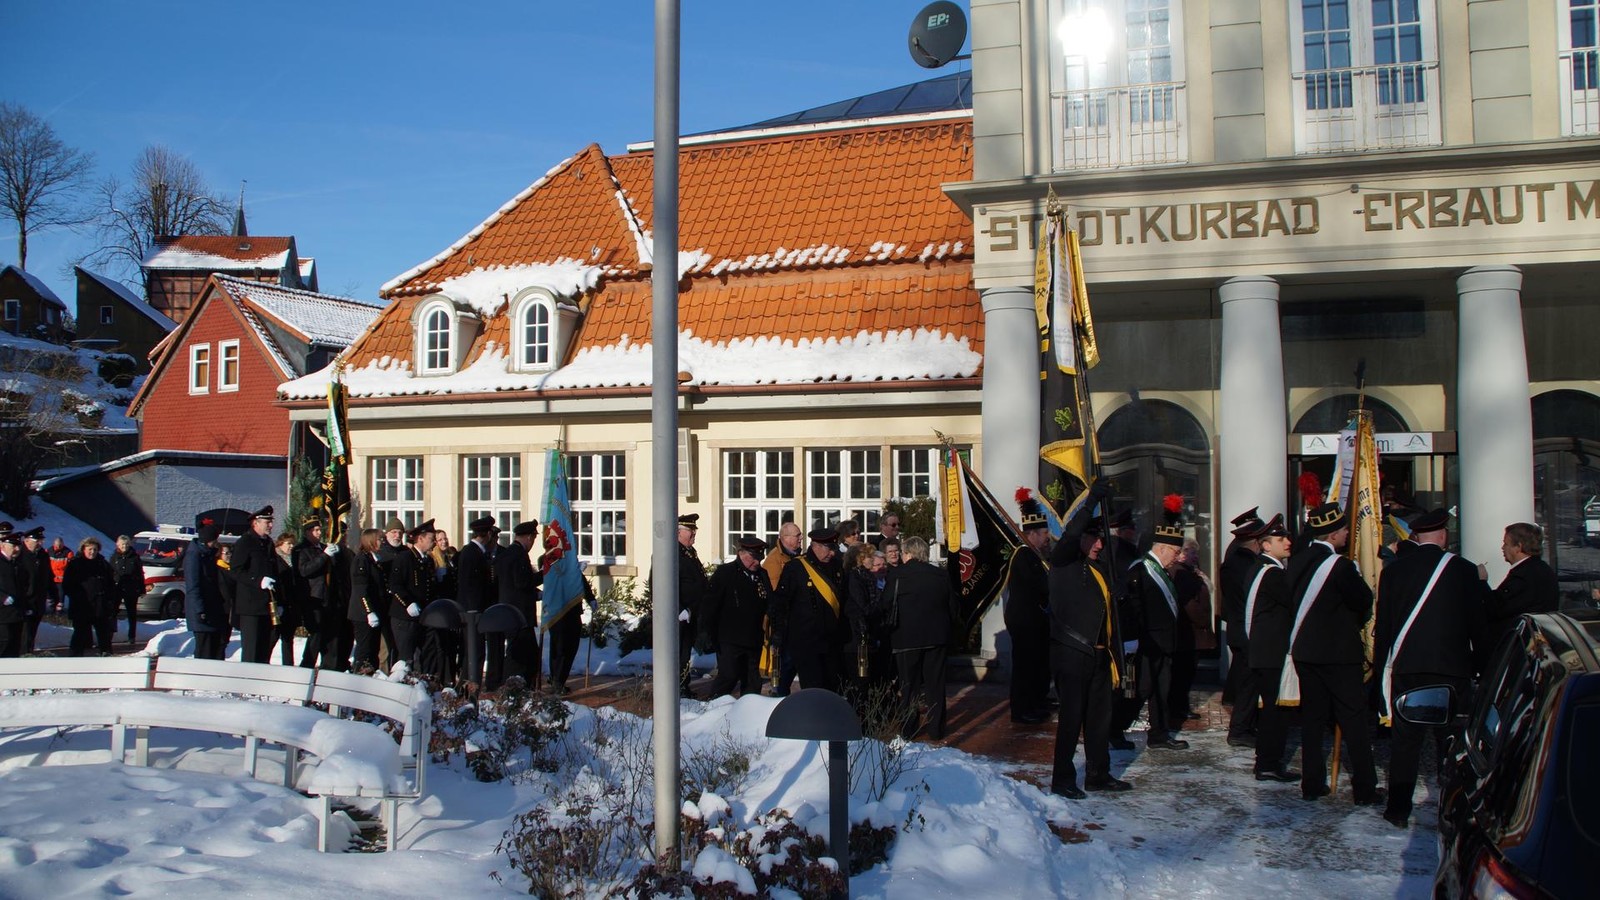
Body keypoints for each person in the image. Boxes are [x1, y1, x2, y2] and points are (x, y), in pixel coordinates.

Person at [1375, 508, 1488, 829]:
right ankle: (1452, 807)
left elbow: (1384, 628)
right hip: (1451, 669)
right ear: (1442, 535)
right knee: (1451, 743)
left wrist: (1381, 675)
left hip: (1407, 666)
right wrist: (1482, 666)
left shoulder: (1393, 572)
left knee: (1405, 743)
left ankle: (1397, 810)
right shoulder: (1464, 570)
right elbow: (1476, 626)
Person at [1285, 502, 1382, 806]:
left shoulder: (1297, 560)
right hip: (1339, 655)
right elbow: (1362, 598)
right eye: (1342, 530)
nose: (1345, 535)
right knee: (1353, 721)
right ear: (1332, 534)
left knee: (1313, 721)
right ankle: (1365, 788)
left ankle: (1311, 783)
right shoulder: (1340, 566)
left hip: (1305, 652)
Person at [1047, 481, 1133, 798]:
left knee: (1099, 719)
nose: (1099, 545)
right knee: (1071, 720)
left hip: (1098, 654)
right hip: (1071, 653)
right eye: (1093, 538)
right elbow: (1070, 535)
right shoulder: (1064, 560)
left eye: (1101, 538)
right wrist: (1091, 502)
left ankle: (1098, 773)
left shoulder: (1097, 569)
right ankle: (1062, 779)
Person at [1120, 497, 1191, 751]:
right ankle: (1114, 730)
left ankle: (1159, 734)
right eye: (1174, 551)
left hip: (1164, 644)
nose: (1178, 556)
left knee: (1162, 690)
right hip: (1147, 644)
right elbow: (1133, 608)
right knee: (1140, 691)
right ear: (1161, 548)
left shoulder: (1162, 571)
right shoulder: (1140, 571)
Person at [1244, 514, 1301, 783]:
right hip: (1272, 654)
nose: (1288, 542)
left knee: (1271, 710)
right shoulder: (1273, 574)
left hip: (1262, 653)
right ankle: (1268, 763)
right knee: (1275, 712)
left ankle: (1266, 761)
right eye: (1281, 539)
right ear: (1266, 545)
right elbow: (1294, 603)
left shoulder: (1261, 568)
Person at [887, 536, 959, 740]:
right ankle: (936, 728)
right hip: (936, 637)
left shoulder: (898, 574)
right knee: (935, 684)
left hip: (905, 638)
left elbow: (886, 604)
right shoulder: (940, 575)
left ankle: (909, 729)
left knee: (909, 686)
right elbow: (952, 606)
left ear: (908, 553)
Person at [770, 526, 846, 692]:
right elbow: (780, 603)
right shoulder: (796, 568)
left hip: (832, 642)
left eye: (834, 548)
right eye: (828, 548)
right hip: (806, 642)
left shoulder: (837, 567)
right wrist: (778, 632)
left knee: (832, 689)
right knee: (813, 689)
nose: (832, 553)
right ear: (815, 545)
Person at [1219, 507, 1268, 746]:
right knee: (1247, 684)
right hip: (1245, 628)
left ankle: (1245, 726)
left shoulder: (1241, 559)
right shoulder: (1239, 562)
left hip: (1244, 628)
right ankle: (1239, 729)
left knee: (1247, 681)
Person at [701, 536, 770, 699]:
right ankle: (715, 707)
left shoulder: (762, 575)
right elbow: (710, 605)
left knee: (753, 681)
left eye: (760, 558)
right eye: (754, 558)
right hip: (730, 638)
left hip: (754, 638)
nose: (757, 563)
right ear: (741, 554)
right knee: (729, 676)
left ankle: (749, 712)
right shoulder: (725, 573)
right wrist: (705, 631)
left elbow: (770, 601)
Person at [1006, 490, 1053, 725]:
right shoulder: (1023, 556)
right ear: (1032, 533)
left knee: (1036, 664)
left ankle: (1035, 702)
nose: (1047, 538)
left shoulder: (1035, 556)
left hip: (1034, 620)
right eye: (1044, 533)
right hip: (1024, 621)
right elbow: (1040, 586)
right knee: (1025, 666)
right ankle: (1021, 709)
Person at [1481, 522, 1559, 656]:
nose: (1502, 548)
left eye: (1506, 544)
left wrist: (1482, 582)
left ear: (1518, 547)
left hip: (1520, 650)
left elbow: (1497, 608)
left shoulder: (1524, 575)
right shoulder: (1541, 569)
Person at [494, 521, 542, 689]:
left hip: (511, 613)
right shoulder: (519, 555)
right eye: (533, 539)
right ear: (529, 537)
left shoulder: (507, 553)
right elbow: (522, 582)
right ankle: (517, 690)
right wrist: (544, 574)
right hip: (520, 615)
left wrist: (536, 593)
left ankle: (515, 688)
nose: (533, 543)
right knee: (524, 657)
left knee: (519, 654)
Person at [231, 506, 280, 664]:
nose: (270, 525)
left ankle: (260, 684)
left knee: (264, 650)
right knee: (251, 651)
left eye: (271, 522)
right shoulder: (245, 542)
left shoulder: (268, 543)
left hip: (266, 605)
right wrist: (258, 581)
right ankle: (247, 685)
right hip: (250, 606)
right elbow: (236, 571)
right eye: (267, 522)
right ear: (256, 523)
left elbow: (274, 571)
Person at [455, 516, 500, 685]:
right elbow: (470, 585)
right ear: (488, 534)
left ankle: (469, 685)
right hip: (472, 611)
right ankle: (468, 686)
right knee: (474, 651)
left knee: (476, 650)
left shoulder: (477, 552)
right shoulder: (471, 552)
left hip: (476, 610)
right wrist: (474, 610)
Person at [388, 519, 438, 674]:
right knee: (405, 656)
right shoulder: (405, 558)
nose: (434, 543)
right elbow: (395, 585)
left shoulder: (427, 560)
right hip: (405, 616)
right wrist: (408, 603)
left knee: (426, 653)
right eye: (431, 539)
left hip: (422, 615)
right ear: (420, 539)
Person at [294, 518, 344, 670]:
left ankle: (329, 666)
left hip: (329, 597)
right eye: (315, 530)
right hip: (314, 598)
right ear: (308, 532)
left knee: (331, 635)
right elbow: (305, 570)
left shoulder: (323, 547)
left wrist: (335, 556)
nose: (319, 532)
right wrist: (324, 556)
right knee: (316, 635)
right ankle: (307, 665)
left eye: (319, 529)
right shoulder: (301, 549)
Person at [761, 521, 804, 696]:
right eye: (797, 535)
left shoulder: (794, 556)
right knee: (785, 664)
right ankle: (779, 695)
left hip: (795, 620)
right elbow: (775, 594)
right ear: (785, 538)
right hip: (783, 621)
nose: (801, 538)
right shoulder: (775, 561)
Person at [63, 537, 118, 656]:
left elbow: (111, 584)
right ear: (83, 549)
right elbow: (67, 585)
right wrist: (77, 596)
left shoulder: (103, 564)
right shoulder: (75, 564)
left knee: (104, 634)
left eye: (95, 549)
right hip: (82, 606)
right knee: (80, 634)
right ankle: (74, 658)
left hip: (100, 606)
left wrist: (109, 600)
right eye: (89, 549)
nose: (92, 552)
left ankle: (106, 656)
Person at [674, 513, 710, 696]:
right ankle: (678, 686)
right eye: (691, 531)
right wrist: (678, 608)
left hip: (691, 613)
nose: (694, 534)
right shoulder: (670, 553)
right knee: (679, 652)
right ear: (679, 532)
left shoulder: (689, 552)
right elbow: (661, 583)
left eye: (694, 531)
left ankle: (683, 684)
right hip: (679, 615)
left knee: (685, 652)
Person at [183, 521, 228, 660]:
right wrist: (199, 610)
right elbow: (193, 586)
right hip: (203, 613)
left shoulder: (208, 554)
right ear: (209, 540)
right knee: (204, 651)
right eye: (215, 539)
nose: (217, 542)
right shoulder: (194, 556)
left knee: (216, 648)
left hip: (212, 610)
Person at [348, 528, 386, 672]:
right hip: (362, 614)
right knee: (364, 650)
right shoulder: (361, 560)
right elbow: (361, 589)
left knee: (372, 650)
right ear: (370, 541)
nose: (381, 542)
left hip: (374, 612)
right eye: (378, 539)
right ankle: (359, 674)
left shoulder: (373, 559)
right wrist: (368, 611)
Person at [270, 532, 304, 665]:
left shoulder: (294, 559)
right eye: (288, 543)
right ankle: (263, 662)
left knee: (288, 638)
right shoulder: (274, 558)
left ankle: (288, 665)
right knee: (273, 636)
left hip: (291, 603)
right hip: (279, 602)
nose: (291, 546)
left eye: (293, 544)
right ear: (280, 543)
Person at [16, 528, 49, 654]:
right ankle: (24, 656)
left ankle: (28, 652)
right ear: (27, 540)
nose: (40, 543)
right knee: (25, 632)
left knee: (32, 631)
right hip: (25, 600)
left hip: (38, 600)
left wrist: (54, 595)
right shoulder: (20, 555)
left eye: (41, 540)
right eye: (37, 540)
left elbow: (48, 576)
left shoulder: (43, 556)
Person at [109, 535, 144, 644]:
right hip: (117, 588)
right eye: (122, 544)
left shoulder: (135, 557)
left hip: (131, 588)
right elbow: (110, 573)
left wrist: (141, 589)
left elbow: (140, 573)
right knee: (112, 612)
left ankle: (131, 637)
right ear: (118, 545)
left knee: (131, 613)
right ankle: (109, 636)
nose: (125, 546)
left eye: (127, 544)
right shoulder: (114, 557)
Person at [0, 526, 23, 658]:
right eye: (13, 546)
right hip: (2, 612)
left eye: (18, 546)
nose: (17, 549)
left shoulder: (16, 563)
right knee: (4, 641)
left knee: (14, 646)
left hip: (16, 612)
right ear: (3, 546)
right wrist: (2, 598)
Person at [47, 536, 73, 615]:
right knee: (50, 594)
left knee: (60, 594)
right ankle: (50, 609)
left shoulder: (68, 553)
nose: (58, 547)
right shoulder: (48, 551)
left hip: (61, 578)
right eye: (57, 545)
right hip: (50, 577)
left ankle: (59, 611)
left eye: (60, 545)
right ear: (54, 544)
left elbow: (71, 565)